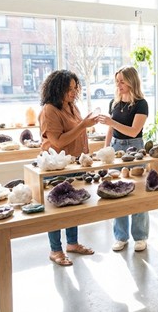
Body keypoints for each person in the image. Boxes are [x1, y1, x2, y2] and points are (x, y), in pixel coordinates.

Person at [38, 69, 98, 266]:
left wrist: (84, 125)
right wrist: (83, 125)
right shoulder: (49, 110)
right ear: (57, 89)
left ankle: (72, 244)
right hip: (56, 167)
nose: (73, 92)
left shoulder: (72, 106)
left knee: (73, 205)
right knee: (55, 209)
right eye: (69, 89)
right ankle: (55, 250)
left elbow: (77, 132)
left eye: (75, 88)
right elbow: (58, 142)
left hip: (74, 164)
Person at [97, 66, 150, 252]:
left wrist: (111, 122)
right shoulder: (114, 102)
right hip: (115, 147)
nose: (118, 85)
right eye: (117, 81)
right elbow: (110, 130)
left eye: (122, 81)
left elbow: (134, 131)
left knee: (138, 192)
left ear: (131, 81)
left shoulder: (141, 104)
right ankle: (121, 236)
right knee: (116, 192)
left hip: (134, 147)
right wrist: (105, 150)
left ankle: (140, 236)